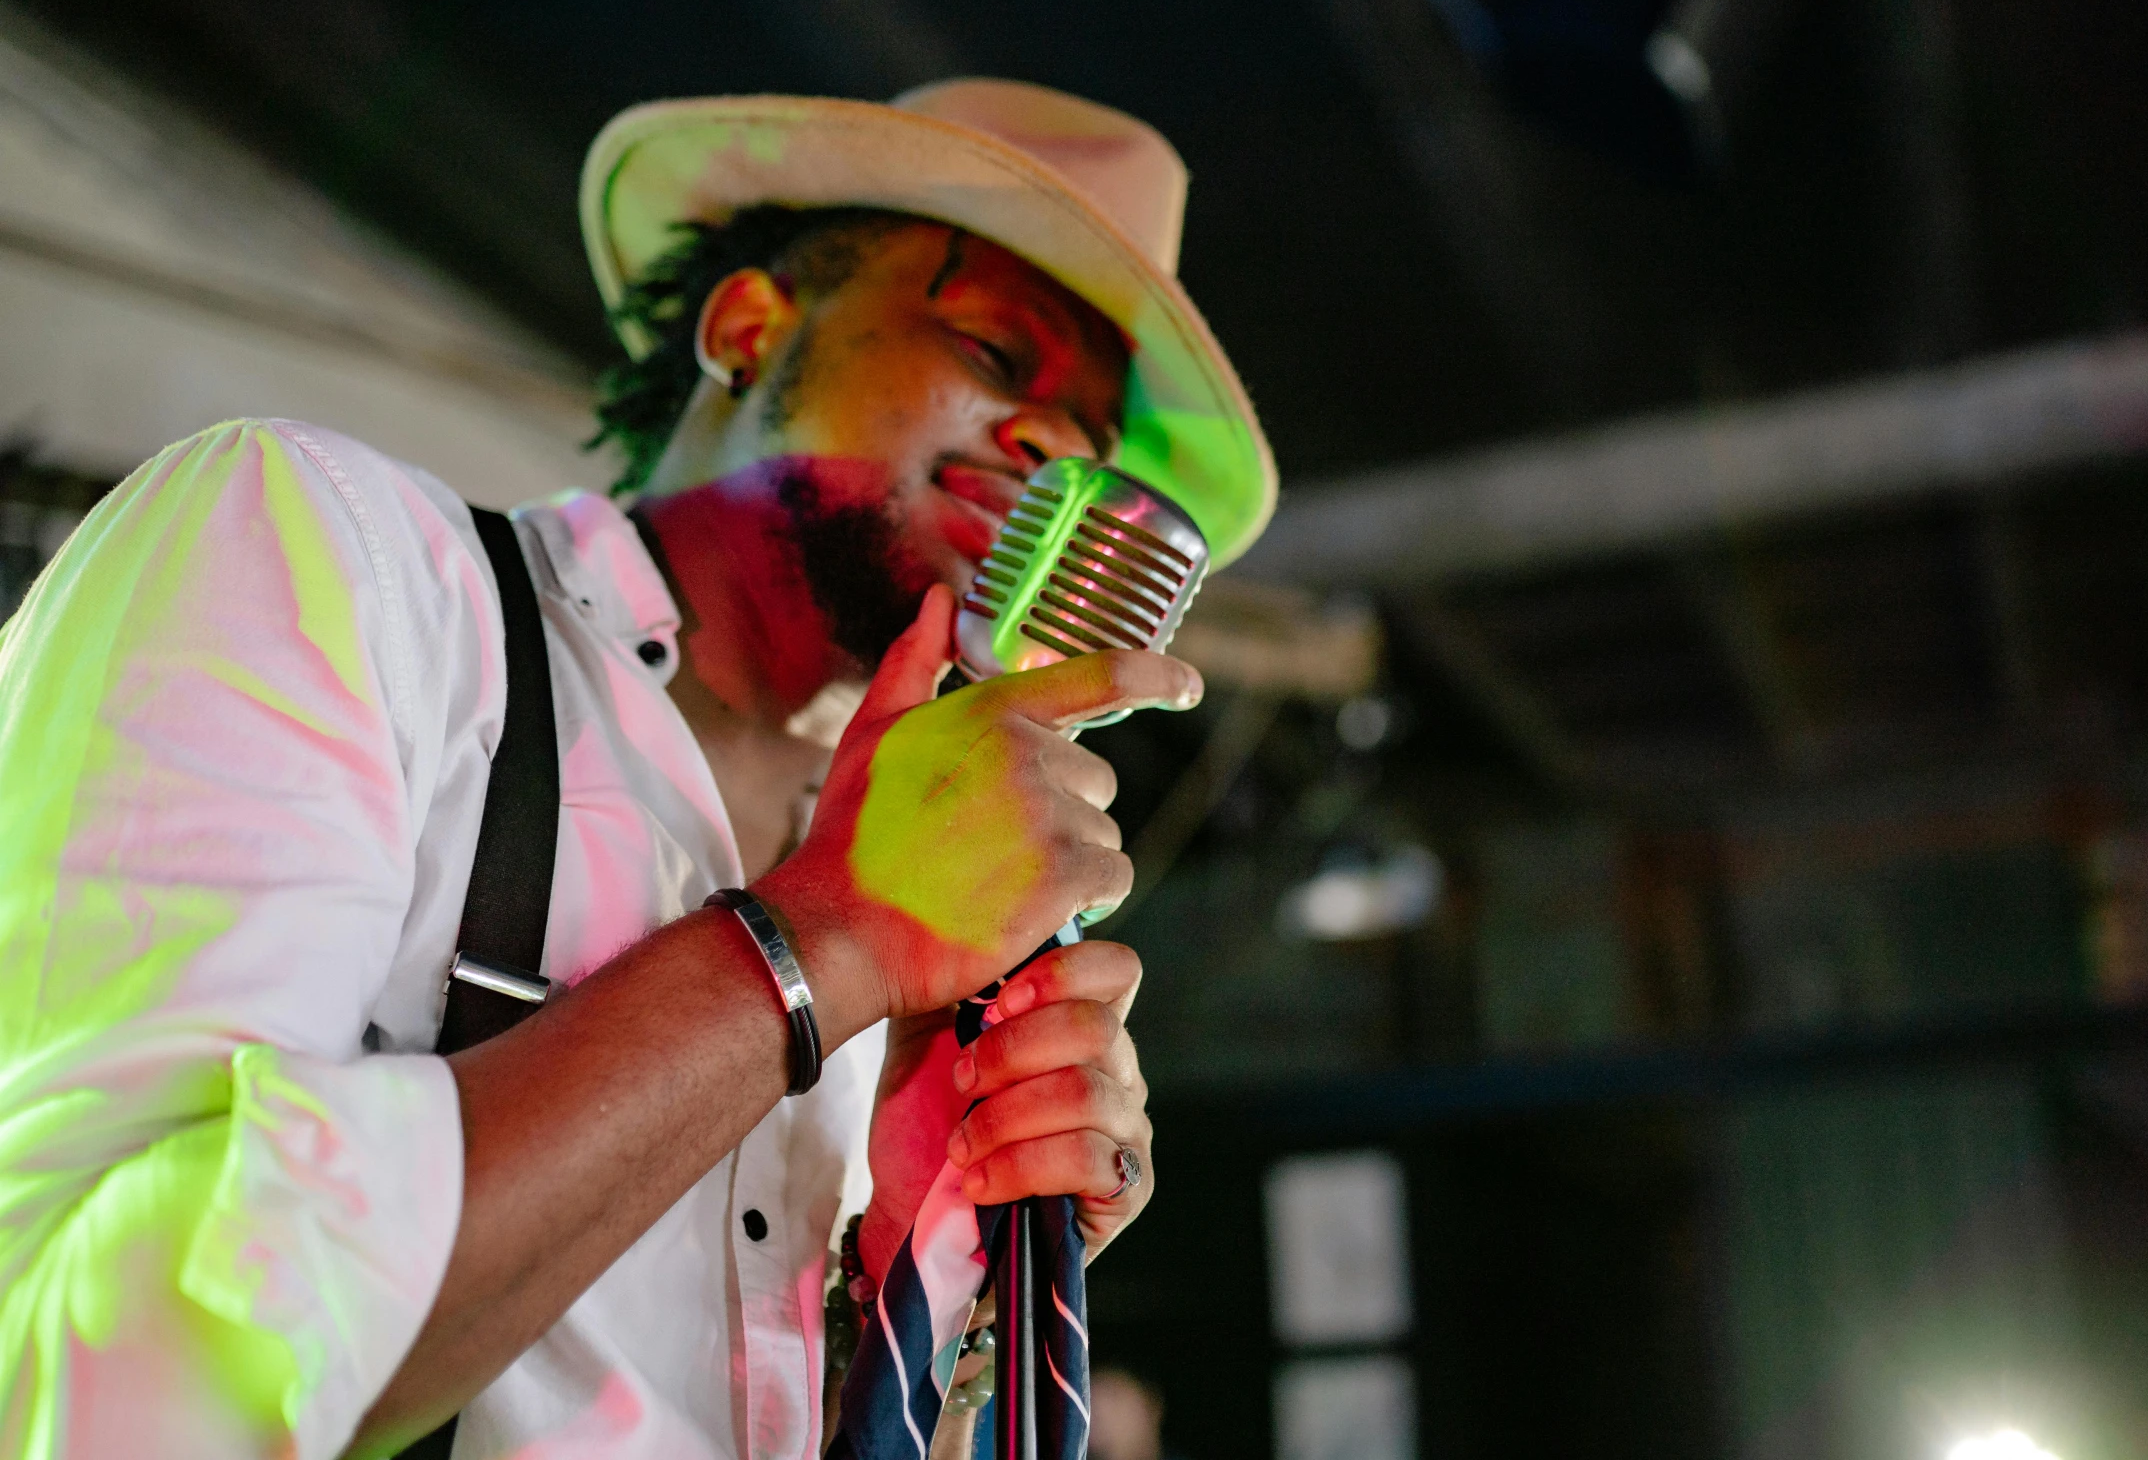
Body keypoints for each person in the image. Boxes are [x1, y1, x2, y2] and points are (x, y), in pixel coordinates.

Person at [0, 79, 1276, 1458]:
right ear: (747, 329)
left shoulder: (927, 908)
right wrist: (820, 941)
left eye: (1092, 432)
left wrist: (915, 1279)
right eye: (990, 347)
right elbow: (107, 1386)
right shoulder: (328, 553)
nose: (1058, 451)